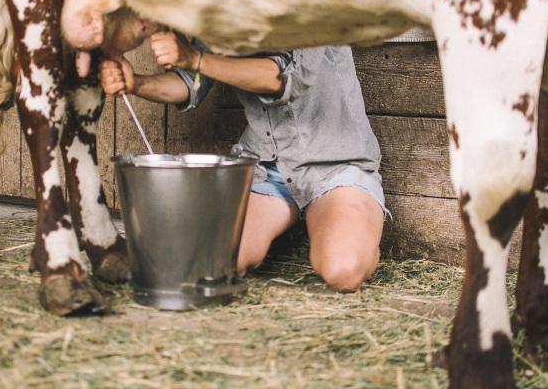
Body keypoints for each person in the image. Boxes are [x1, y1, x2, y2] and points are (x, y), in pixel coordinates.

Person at [98, 32, 389, 292]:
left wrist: (196, 58)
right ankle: (291, 228)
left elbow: (285, 78)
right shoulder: (221, 11)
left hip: (335, 164)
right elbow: (190, 84)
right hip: (265, 167)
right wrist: (135, 83)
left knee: (342, 272)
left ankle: (354, 229)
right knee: (209, 263)